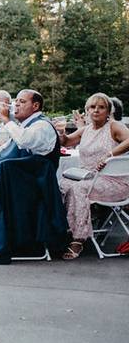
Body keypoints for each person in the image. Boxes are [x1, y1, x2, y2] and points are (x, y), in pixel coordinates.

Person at [0, 89, 67, 261]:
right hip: (15, 182)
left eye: (22, 102)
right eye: (16, 101)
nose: (16, 104)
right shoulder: (25, 125)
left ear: (36, 106)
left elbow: (24, 140)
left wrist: (5, 120)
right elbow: (5, 147)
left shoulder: (42, 126)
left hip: (31, 187)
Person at [55, 93, 129, 259]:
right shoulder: (86, 129)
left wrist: (111, 154)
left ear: (108, 111)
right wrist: (61, 133)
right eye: (92, 107)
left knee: (79, 189)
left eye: (101, 107)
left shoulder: (114, 126)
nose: (96, 110)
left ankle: (78, 239)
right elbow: (66, 142)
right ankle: (65, 229)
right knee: (63, 184)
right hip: (88, 176)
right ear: (87, 110)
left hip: (114, 181)